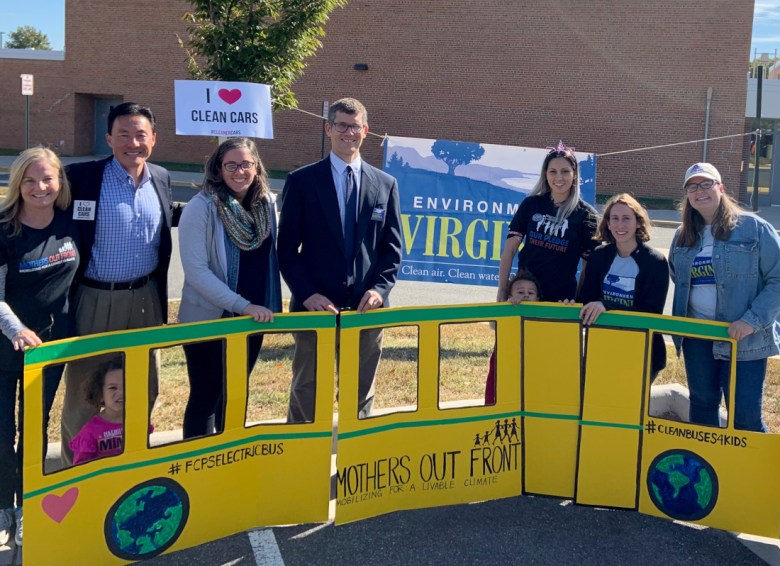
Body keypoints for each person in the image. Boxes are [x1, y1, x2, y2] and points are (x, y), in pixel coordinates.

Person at [60, 102, 182, 464]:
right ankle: (76, 476)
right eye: (124, 134)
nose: (133, 142)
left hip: (145, 298)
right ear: (109, 137)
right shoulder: (82, 177)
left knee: (142, 385)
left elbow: (170, 215)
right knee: (86, 389)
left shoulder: (160, 177)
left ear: (154, 139)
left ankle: (132, 465)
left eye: (141, 135)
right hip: (95, 297)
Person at [277, 97, 403, 422]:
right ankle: (302, 462)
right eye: (342, 126)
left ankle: (353, 461)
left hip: (365, 309)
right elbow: (287, 250)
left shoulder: (385, 185)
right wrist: (307, 294)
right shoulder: (303, 182)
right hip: (315, 309)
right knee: (307, 390)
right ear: (329, 129)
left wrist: (380, 289)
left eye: (355, 126)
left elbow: (392, 249)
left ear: (366, 131)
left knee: (360, 393)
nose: (349, 133)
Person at [0, 147, 79, 547]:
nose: (39, 187)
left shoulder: (70, 223)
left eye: (47, 178)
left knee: (35, 426)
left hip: (50, 347)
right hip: (6, 345)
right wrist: (16, 329)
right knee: (2, 430)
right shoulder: (3, 228)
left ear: (59, 182)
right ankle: (3, 508)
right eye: (29, 180)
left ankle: (28, 505)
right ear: (17, 184)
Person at [178, 138, 282, 438]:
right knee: (206, 398)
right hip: (209, 318)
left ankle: (230, 463)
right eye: (231, 165)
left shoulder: (267, 204)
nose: (239, 171)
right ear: (218, 169)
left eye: (246, 164)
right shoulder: (202, 207)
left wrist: (256, 308)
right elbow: (196, 271)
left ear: (256, 167)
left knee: (235, 395)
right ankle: (199, 466)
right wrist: (242, 305)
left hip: (252, 320)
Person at [669, 163, 780, 432]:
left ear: (721, 188)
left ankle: (752, 472)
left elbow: (777, 280)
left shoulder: (754, 229)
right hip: (698, 337)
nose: (700, 191)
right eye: (693, 187)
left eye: (706, 184)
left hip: (743, 339)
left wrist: (751, 320)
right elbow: (678, 278)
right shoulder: (682, 237)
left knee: (744, 418)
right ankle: (709, 470)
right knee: (703, 406)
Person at [577, 193, 670, 380]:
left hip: (642, 351)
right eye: (615, 219)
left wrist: (606, 305)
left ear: (638, 222)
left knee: (630, 408)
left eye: (626, 218)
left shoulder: (655, 262)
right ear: (608, 224)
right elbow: (585, 299)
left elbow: (651, 313)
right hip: (604, 347)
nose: (620, 225)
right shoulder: (599, 255)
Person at [497, 141, 599, 303]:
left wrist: (579, 301)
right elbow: (509, 251)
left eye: (565, 171)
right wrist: (502, 292)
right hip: (525, 296)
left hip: (561, 300)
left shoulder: (587, 216)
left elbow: (587, 268)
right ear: (545, 174)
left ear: (575, 174)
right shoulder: (531, 204)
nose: (559, 177)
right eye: (553, 171)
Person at [484, 269, 541, 404]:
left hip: (532, 362)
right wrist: (507, 307)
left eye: (531, 293)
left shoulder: (541, 315)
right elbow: (493, 325)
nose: (526, 295)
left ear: (538, 299)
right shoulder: (507, 309)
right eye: (520, 292)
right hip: (504, 359)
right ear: (510, 295)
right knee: (496, 391)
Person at [70, 357, 128, 464]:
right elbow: (80, 470)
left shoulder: (138, 420)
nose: (121, 393)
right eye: (112, 388)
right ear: (100, 394)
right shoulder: (89, 432)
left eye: (126, 385)